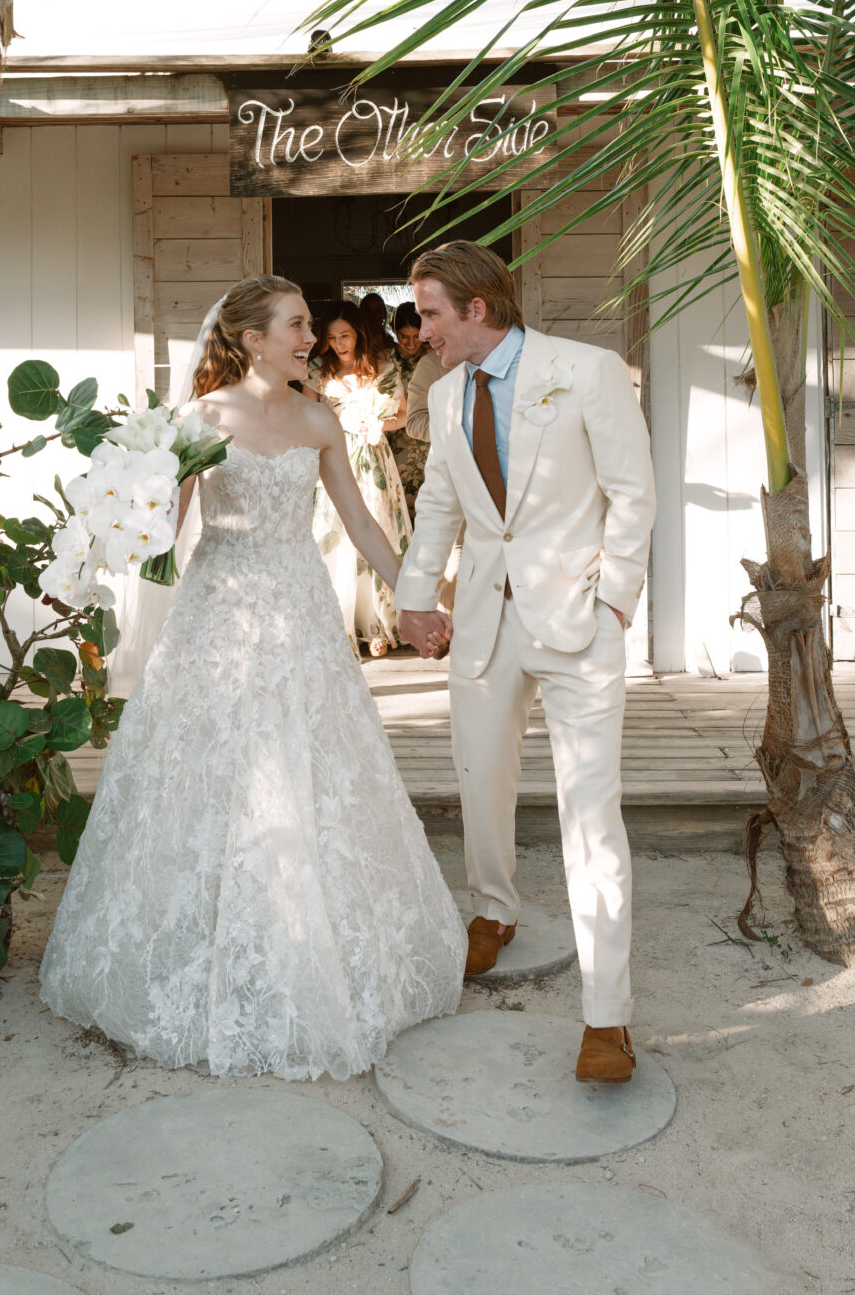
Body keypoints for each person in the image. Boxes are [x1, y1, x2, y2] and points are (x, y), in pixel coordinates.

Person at [40, 276, 465, 1081]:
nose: (310, 335)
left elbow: (361, 521)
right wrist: (129, 494)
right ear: (253, 337)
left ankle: (311, 948)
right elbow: (159, 533)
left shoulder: (318, 419)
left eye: (307, 324)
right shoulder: (202, 421)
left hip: (300, 607)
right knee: (212, 768)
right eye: (297, 324)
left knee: (312, 767)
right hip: (219, 609)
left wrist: (414, 602)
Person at [393, 242, 654, 1084]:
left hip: (579, 621)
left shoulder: (585, 370)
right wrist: (416, 594)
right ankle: (492, 910)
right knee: (480, 776)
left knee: (591, 816)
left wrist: (613, 599)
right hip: (483, 620)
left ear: (476, 309)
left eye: (430, 312)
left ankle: (606, 1017)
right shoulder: (440, 392)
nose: (419, 328)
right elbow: (439, 499)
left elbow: (632, 493)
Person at [305, 301, 411, 656]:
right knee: (338, 536)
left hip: (374, 461)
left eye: (345, 335)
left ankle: (378, 624)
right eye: (332, 337)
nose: (339, 344)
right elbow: (304, 416)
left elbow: (404, 416)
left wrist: (381, 425)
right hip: (334, 459)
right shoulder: (318, 369)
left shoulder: (381, 364)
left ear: (358, 334)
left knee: (377, 528)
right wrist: (334, 424)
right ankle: (342, 625)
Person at [389, 301, 434, 515]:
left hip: (425, 438)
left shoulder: (432, 359)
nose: (410, 342)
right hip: (394, 437)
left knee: (428, 499)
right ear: (394, 332)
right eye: (404, 336)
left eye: (415, 336)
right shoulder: (385, 360)